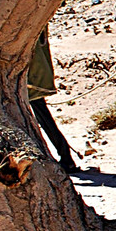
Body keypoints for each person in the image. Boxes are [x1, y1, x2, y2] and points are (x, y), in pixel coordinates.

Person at [28, 27, 78, 173]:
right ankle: (65, 157)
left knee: (41, 118)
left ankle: (63, 157)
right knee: (43, 118)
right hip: (34, 78)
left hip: (30, 79)